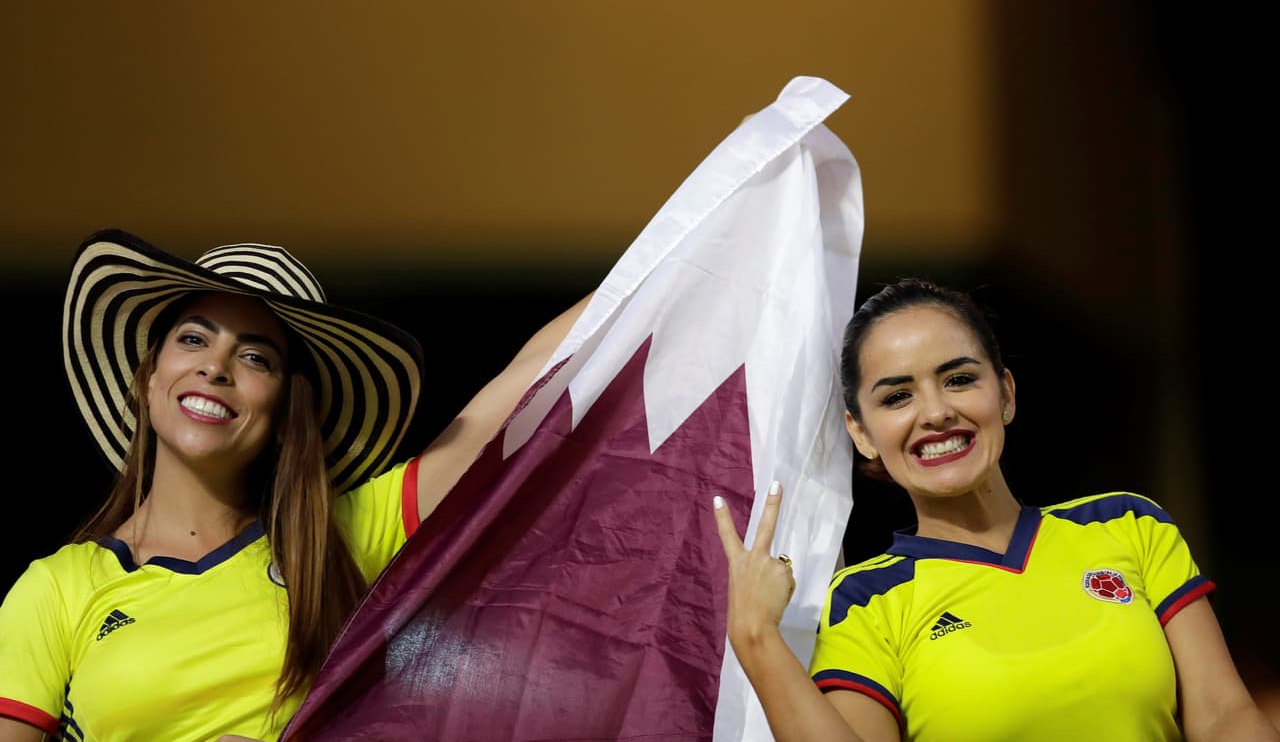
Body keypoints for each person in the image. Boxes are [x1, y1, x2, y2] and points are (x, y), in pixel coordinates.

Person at [0, 228, 588, 742]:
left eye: (256, 357)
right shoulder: (56, 590)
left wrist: (678, 253)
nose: (216, 366)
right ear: (149, 377)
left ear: (285, 414)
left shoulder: (344, 536)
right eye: (194, 339)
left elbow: (527, 382)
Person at [713, 277, 1279, 741]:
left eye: (959, 378)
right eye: (897, 396)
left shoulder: (1129, 525)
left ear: (1005, 394)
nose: (935, 413)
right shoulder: (866, 602)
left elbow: (1226, 718)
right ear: (860, 434)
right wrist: (756, 637)